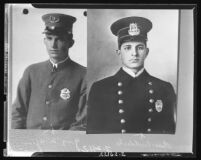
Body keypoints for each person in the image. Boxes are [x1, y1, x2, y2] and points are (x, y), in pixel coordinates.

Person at [87, 16, 177, 134]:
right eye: (127, 48)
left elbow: (170, 134)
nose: (134, 53)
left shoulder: (164, 88)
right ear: (119, 53)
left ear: (147, 52)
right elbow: (94, 135)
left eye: (139, 47)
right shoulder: (100, 89)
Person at [11, 13, 87, 130]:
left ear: (70, 43)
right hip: (30, 142)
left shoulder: (83, 75)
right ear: (44, 41)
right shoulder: (31, 72)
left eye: (60, 39)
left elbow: (82, 123)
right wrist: (20, 144)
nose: (53, 45)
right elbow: (17, 114)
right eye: (49, 39)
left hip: (63, 145)